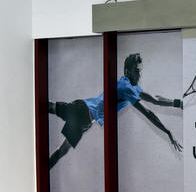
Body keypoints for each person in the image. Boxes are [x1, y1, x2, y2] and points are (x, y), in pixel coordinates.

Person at [49, 53, 183, 169]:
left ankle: (43, 170)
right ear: (127, 72)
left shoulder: (133, 87)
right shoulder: (126, 87)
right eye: (136, 71)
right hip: (82, 110)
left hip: (84, 122)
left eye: (139, 71)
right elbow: (148, 113)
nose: (138, 75)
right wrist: (167, 132)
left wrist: (177, 103)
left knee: (62, 151)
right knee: (50, 108)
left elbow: (154, 99)